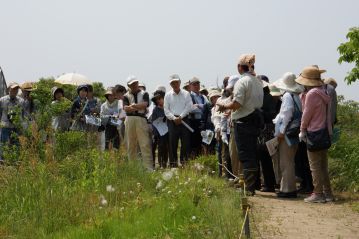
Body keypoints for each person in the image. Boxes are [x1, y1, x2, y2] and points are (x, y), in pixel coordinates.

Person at [217, 54, 263, 195]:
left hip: (244, 121)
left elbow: (237, 104)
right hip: (255, 119)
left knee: (245, 155)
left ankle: (249, 189)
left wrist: (223, 105)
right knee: (253, 154)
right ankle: (252, 185)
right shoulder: (257, 81)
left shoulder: (242, 82)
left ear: (239, 67)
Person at [296, 66, 334, 203]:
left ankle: (318, 193)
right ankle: (328, 193)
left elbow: (306, 115)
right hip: (324, 132)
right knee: (323, 166)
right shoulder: (324, 92)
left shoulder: (312, 94)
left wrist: (302, 129)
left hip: (313, 133)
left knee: (314, 166)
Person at [272, 72, 303, 198]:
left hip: (287, 133)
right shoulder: (296, 96)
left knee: (286, 162)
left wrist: (281, 131)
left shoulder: (287, 97)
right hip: (294, 132)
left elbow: (286, 114)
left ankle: (288, 190)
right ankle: (286, 188)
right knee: (289, 161)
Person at [123, 75, 153, 170]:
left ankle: (148, 168)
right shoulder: (125, 96)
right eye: (132, 84)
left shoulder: (144, 93)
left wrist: (133, 106)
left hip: (141, 118)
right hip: (130, 119)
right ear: (128, 85)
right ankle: (133, 168)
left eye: (136, 83)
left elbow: (145, 105)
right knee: (131, 144)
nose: (135, 85)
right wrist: (137, 106)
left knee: (145, 144)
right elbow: (126, 109)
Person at [164, 74, 193, 167]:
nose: (175, 84)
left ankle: (184, 163)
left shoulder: (186, 93)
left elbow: (189, 106)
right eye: (173, 83)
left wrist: (180, 116)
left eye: (176, 82)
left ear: (180, 82)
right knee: (172, 143)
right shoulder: (167, 95)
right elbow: (166, 110)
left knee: (185, 143)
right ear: (170, 84)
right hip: (172, 121)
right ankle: (173, 164)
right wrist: (174, 118)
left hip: (184, 119)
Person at [256, 75, 277, 192]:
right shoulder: (268, 96)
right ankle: (269, 183)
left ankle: (268, 184)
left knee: (264, 157)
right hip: (268, 129)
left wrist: (259, 111)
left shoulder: (265, 97)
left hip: (265, 130)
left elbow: (270, 114)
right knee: (266, 158)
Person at [211, 89, 233, 178]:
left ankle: (232, 175)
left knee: (231, 154)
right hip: (223, 131)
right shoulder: (220, 101)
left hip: (232, 130)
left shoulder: (236, 98)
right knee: (224, 154)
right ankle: (226, 175)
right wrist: (219, 128)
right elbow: (216, 117)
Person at [0, 83, 24, 158]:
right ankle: (2, 162)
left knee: (16, 145)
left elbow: (22, 113)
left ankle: (15, 161)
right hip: (5, 126)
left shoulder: (21, 101)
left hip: (16, 126)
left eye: (16, 89)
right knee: (4, 145)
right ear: (8, 90)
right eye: (13, 89)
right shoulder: (2, 100)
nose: (15, 91)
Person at [189, 77, 210, 157]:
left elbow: (209, 106)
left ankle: (202, 161)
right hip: (193, 122)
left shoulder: (203, 97)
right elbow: (190, 109)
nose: (196, 86)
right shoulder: (188, 96)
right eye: (194, 84)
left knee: (203, 143)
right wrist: (202, 107)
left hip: (203, 122)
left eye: (198, 83)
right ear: (190, 85)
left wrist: (198, 106)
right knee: (194, 144)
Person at [149, 90, 168, 168]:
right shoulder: (155, 110)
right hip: (158, 133)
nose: (158, 100)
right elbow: (154, 122)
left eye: (160, 98)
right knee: (160, 148)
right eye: (157, 100)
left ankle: (165, 163)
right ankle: (160, 164)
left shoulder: (168, 108)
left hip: (168, 132)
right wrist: (155, 133)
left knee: (166, 148)